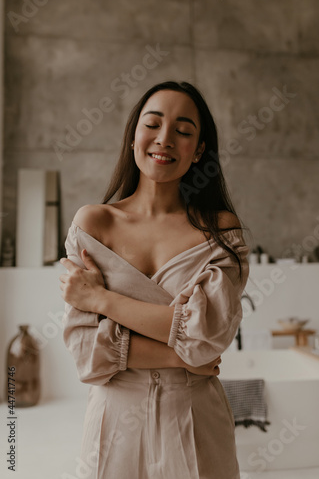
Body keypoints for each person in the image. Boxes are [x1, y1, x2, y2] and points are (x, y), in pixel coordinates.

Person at [59, 81, 250, 479]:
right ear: (133, 136)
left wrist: (102, 302)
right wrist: (184, 354)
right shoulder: (94, 224)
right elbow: (84, 353)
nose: (165, 139)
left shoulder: (220, 231)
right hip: (115, 422)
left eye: (183, 131)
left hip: (197, 421)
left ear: (198, 151)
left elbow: (210, 333)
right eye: (153, 124)